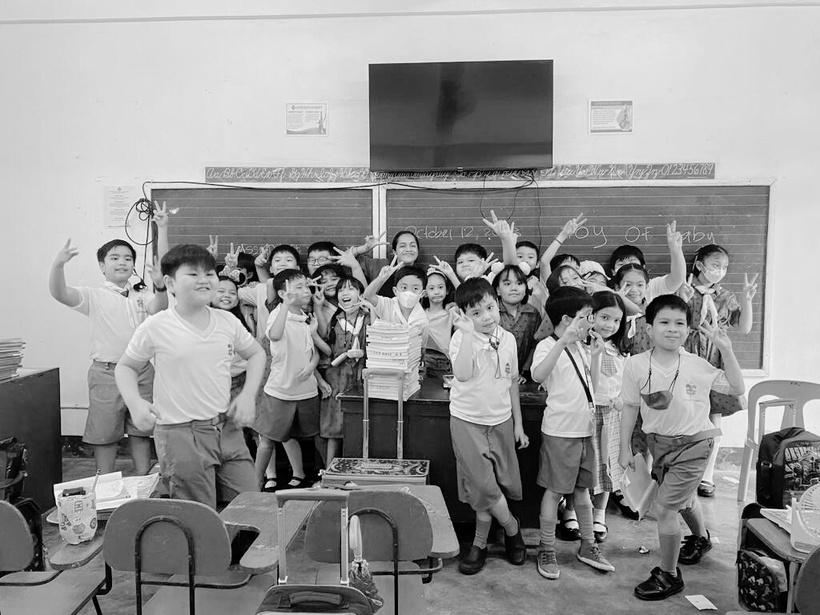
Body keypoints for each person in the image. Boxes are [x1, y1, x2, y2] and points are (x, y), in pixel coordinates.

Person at [115, 244, 266, 508]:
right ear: (170, 283)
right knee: (199, 512)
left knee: (250, 504)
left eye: (209, 273)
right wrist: (135, 402)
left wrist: (248, 396)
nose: (204, 280)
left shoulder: (227, 321)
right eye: (193, 274)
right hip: (180, 432)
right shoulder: (157, 325)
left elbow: (256, 354)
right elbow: (125, 367)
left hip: (226, 427)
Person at [618, 294, 745, 600]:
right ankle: (701, 538)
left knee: (665, 508)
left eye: (679, 323)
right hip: (660, 445)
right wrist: (623, 448)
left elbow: (737, 387)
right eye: (664, 322)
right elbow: (631, 407)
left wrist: (726, 349)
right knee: (684, 499)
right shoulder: (635, 365)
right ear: (649, 328)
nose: (672, 329)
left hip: (695, 445)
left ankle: (669, 575)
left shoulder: (697, 365)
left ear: (688, 330)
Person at [48, 208, 170, 475]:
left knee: (141, 429)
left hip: (141, 371)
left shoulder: (141, 295)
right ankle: (105, 483)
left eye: (128, 258)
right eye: (114, 258)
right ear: (102, 266)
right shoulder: (93, 295)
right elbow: (59, 293)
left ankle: (142, 479)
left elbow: (160, 307)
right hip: (106, 372)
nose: (122, 263)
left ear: (133, 266)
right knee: (105, 434)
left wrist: (160, 286)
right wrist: (58, 265)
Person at [531, 286, 615, 580]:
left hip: (584, 431)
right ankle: (546, 547)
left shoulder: (582, 347)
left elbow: (592, 386)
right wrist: (563, 342)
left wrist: (595, 356)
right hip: (559, 432)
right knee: (554, 491)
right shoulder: (547, 346)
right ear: (567, 320)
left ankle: (588, 545)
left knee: (582, 491)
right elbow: (538, 375)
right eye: (587, 316)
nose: (592, 322)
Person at [448, 278, 529, 575]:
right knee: (482, 484)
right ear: (464, 315)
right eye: (476, 313)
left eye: (490, 308)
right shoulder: (460, 338)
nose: (486, 317)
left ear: (497, 303)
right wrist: (467, 334)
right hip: (467, 420)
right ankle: (511, 528)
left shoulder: (507, 339)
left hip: (501, 420)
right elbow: (462, 374)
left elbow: (511, 381)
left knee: (496, 482)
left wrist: (518, 423)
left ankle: (479, 544)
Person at [678, 244, 758, 497]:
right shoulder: (684, 289)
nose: (720, 271)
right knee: (682, 412)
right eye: (715, 265)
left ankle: (708, 475)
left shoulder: (725, 297)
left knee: (713, 415)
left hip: (714, 356)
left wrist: (747, 300)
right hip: (687, 355)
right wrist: (681, 297)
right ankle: (679, 473)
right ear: (699, 265)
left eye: (724, 267)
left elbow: (744, 328)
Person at [254, 269, 329, 491]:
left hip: (307, 390)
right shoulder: (278, 315)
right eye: (299, 287)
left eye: (306, 286)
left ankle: (329, 477)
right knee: (268, 439)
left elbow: (312, 351)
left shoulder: (306, 317)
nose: (306, 291)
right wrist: (285, 305)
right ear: (282, 293)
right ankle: (254, 484)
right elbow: (275, 335)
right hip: (280, 391)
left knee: (317, 436)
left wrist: (313, 366)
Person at [587, 291, 630, 542]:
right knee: (586, 464)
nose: (610, 325)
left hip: (612, 416)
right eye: (604, 317)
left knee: (607, 466)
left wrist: (622, 399)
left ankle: (599, 514)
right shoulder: (582, 347)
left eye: (616, 320)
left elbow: (627, 383)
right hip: (587, 415)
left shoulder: (621, 350)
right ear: (590, 315)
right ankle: (572, 511)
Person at [321, 275, 372, 464]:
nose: (345, 292)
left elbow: (377, 339)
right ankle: (329, 471)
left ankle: (358, 469)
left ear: (360, 294)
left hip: (361, 378)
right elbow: (326, 352)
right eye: (341, 289)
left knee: (360, 426)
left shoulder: (368, 318)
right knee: (334, 428)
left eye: (351, 288)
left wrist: (372, 310)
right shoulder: (335, 321)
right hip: (337, 379)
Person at [492, 264, 542, 382]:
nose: (514, 288)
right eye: (507, 284)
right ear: (498, 290)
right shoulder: (492, 312)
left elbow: (535, 345)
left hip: (523, 377)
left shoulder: (533, 313)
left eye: (519, 283)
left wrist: (524, 372)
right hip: (493, 374)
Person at [362, 259, 429, 344]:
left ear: (422, 293)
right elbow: (368, 295)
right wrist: (380, 279)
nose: (409, 292)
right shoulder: (387, 304)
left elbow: (421, 348)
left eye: (415, 288)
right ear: (395, 291)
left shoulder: (422, 320)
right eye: (404, 288)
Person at [422, 269, 456, 378]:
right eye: (431, 288)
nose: (436, 292)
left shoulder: (451, 312)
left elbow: (466, 300)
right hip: (422, 358)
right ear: (425, 293)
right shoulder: (421, 313)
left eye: (440, 287)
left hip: (442, 360)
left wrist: (451, 275)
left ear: (447, 290)